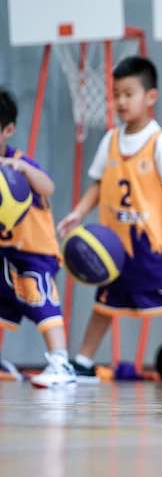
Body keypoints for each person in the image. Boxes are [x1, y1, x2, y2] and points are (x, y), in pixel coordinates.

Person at [57, 57, 162, 388]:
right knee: (104, 304)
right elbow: (97, 185)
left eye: (129, 94)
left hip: (151, 243)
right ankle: (83, 361)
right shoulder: (109, 140)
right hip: (114, 245)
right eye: (116, 95)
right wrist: (78, 213)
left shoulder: (161, 144)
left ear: (150, 97)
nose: (121, 101)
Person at [0, 88, 74, 387]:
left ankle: (61, 361)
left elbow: (48, 187)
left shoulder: (19, 162)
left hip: (34, 250)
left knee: (41, 301)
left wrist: (25, 170)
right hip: (6, 250)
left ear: (8, 130)